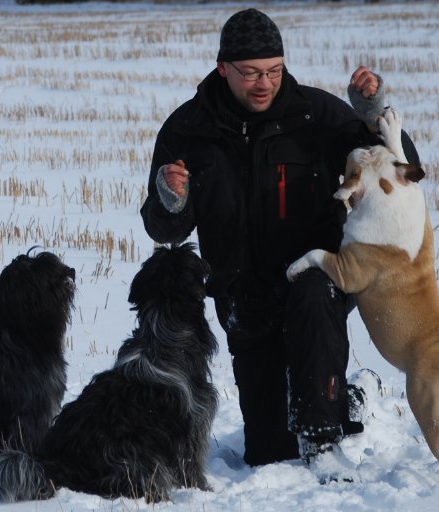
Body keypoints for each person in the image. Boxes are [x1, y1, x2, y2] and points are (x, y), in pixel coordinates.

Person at [140, 8, 419, 470]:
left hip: (317, 275)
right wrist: (171, 201)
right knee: (270, 454)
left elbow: (403, 169)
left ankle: (323, 441)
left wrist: (372, 118)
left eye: (273, 70)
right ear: (222, 68)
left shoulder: (317, 114)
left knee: (311, 302)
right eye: (250, 73)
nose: (263, 83)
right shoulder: (187, 130)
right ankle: (348, 400)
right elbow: (162, 229)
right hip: (242, 296)